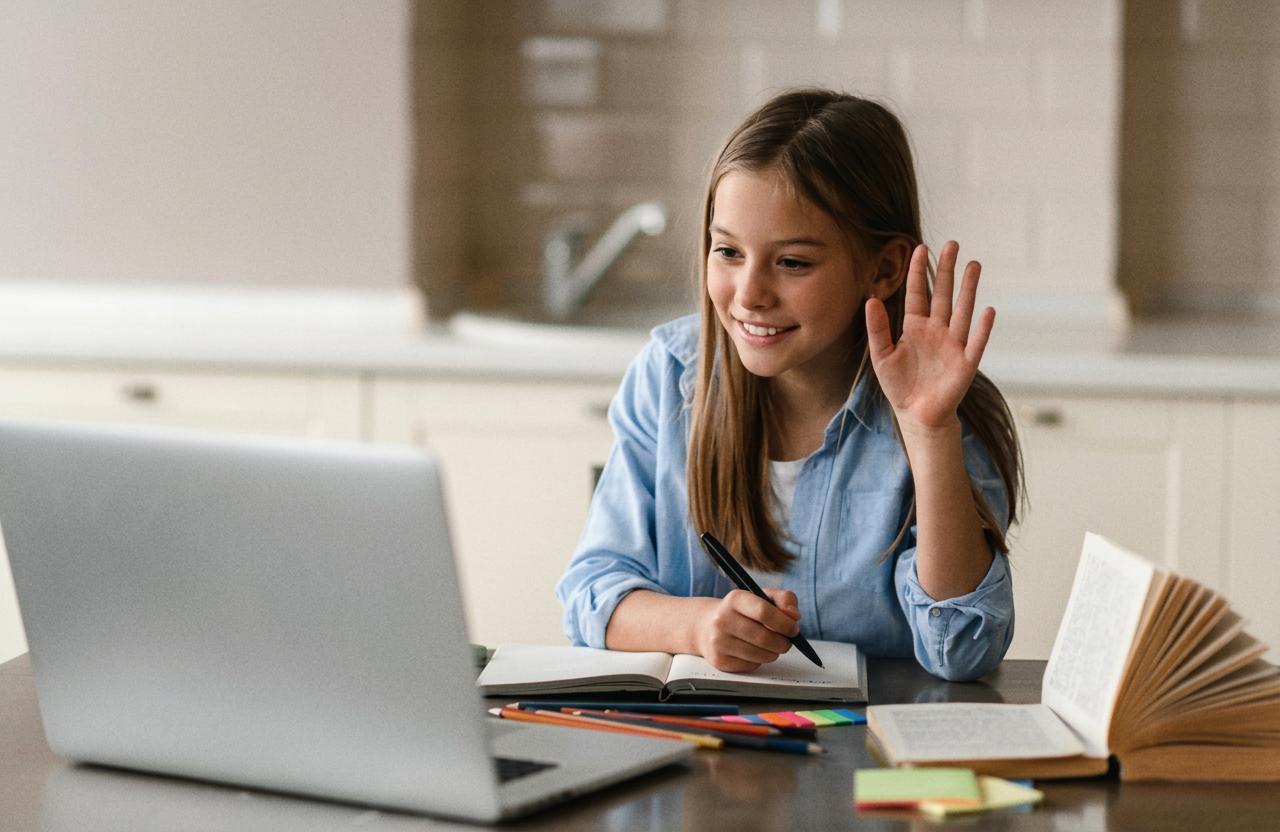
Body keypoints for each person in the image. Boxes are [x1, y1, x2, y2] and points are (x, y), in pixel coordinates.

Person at [556, 88, 1022, 682]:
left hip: (875, 751)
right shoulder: (671, 377)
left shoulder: (944, 408)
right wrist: (697, 626)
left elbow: (962, 650)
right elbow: (592, 592)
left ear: (881, 269)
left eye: (792, 262)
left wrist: (930, 433)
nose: (749, 293)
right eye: (727, 251)